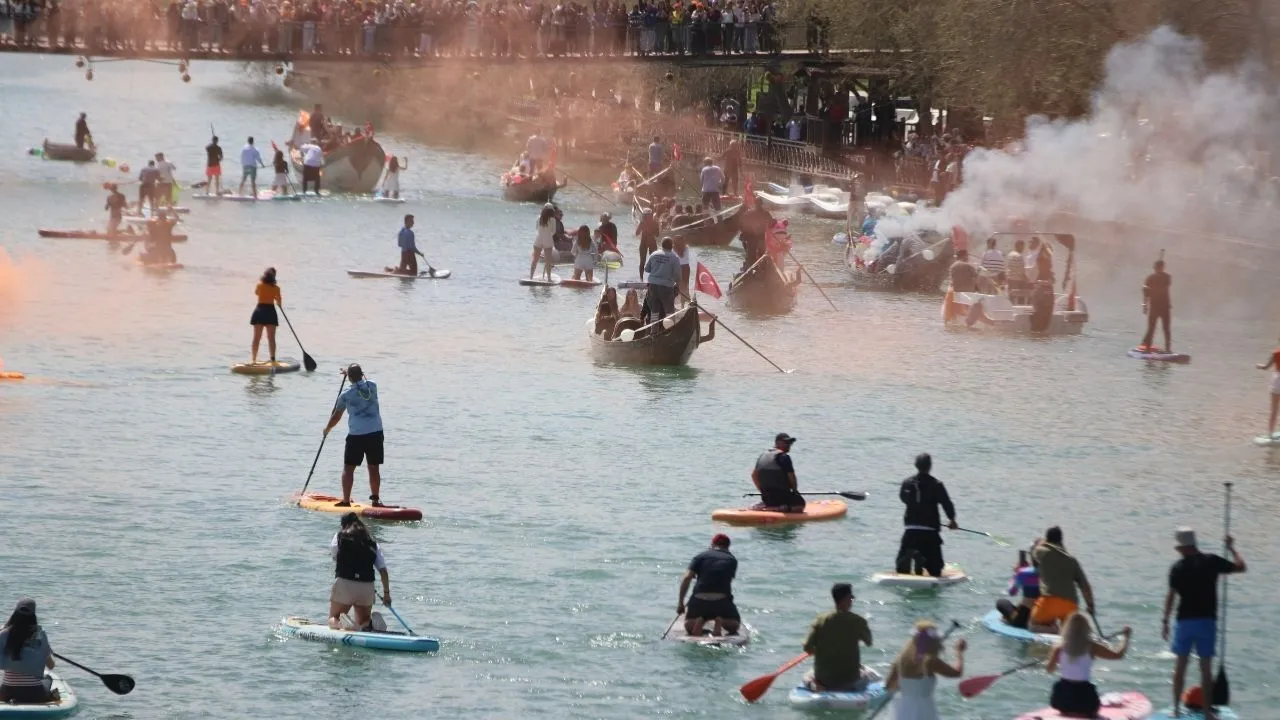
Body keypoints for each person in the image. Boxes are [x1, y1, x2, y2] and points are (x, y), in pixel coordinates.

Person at [1163, 527, 1246, 720]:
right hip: (1206, 622)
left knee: (1180, 666)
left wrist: (1165, 621)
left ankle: (1175, 709)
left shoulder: (1177, 568)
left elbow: (1171, 596)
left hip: (1184, 622)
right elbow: (1241, 567)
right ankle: (1208, 712)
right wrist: (1232, 548)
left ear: (1182, 547)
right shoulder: (1212, 561)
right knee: (1206, 668)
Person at [1044, 614, 1132, 717]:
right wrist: (1126, 638)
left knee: (1063, 697)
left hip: (1062, 697)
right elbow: (1118, 655)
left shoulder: (1059, 647)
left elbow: (1049, 670)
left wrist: (1058, 660)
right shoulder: (1092, 646)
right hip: (1084, 697)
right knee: (1091, 710)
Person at [324, 363, 386, 508]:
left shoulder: (346, 394)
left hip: (357, 435)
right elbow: (361, 381)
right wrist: (352, 374)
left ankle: (346, 501)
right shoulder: (373, 386)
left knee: (349, 468)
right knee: (373, 467)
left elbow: (336, 416)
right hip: (375, 432)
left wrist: (327, 429)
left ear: (349, 378)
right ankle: (375, 500)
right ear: (362, 374)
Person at [884, 621, 966, 720]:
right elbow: (956, 673)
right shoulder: (930, 661)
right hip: (925, 710)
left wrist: (906, 686)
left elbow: (889, 686)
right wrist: (959, 652)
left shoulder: (901, 659)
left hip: (903, 709)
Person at [802, 583, 874, 692]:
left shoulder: (820, 620)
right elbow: (869, 642)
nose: (851, 601)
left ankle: (816, 685)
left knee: (807, 676)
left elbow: (807, 647)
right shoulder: (858, 621)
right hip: (850, 680)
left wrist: (820, 651)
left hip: (824, 680)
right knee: (868, 674)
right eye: (851, 598)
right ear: (846, 599)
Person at [327, 512, 392, 632]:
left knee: (333, 618)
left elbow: (335, 556)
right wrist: (386, 593)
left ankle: (343, 624)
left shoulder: (339, 536)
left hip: (345, 583)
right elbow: (383, 571)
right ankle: (371, 624)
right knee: (362, 622)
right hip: (367, 586)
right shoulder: (372, 541)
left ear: (343, 525)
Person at [895, 453, 957, 577]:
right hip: (930, 532)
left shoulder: (907, 483)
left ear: (916, 465)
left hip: (910, 530)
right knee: (935, 571)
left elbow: (903, 498)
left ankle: (914, 554)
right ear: (930, 466)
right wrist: (952, 520)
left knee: (902, 570)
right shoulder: (937, 484)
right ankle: (921, 556)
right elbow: (946, 503)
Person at [1031, 527, 1096, 630]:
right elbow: (1085, 587)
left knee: (1031, 625)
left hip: (1049, 601)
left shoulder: (1041, 551)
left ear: (1047, 539)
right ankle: (1063, 631)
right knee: (1069, 631)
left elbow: (1034, 550)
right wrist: (1090, 605)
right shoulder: (1072, 560)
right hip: (1070, 605)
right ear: (1061, 540)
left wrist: (1042, 542)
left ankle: (1051, 630)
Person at [676, 534, 740, 637]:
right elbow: (727, 581)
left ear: (712, 544)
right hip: (721, 601)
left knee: (688, 625)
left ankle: (699, 620)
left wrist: (681, 603)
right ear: (728, 547)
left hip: (699, 600)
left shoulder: (700, 557)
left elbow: (687, 577)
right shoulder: (732, 560)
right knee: (734, 626)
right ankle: (720, 621)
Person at [0, 598, 57, 704]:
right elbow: (51, 666)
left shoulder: (3, 634)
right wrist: (46, 650)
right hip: (33, 693)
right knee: (48, 678)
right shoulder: (40, 636)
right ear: (33, 615)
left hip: (5, 693)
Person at [752, 433, 805, 512]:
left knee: (773, 498)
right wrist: (795, 492)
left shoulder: (763, 455)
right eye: (786, 443)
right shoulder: (784, 457)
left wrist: (762, 491)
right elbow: (792, 477)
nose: (789, 445)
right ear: (777, 443)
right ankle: (777, 508)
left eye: (790, 443)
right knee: (801, 505)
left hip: (766, 496)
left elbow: (753, 475)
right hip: (781, 496)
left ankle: (765, 505)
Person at [996, 546, 1040, 629]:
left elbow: (1012, 592)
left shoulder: (1024, 572)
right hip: (1042, 616)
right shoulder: (1050, 574)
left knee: (1001, 602)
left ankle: (1008, 619)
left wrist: (1016, 574)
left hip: (1023, 619)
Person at [643, 237, 681, 321]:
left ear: (662, 245)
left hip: (653, 286)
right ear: (672, 246)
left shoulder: (654, 254)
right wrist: (677, 286)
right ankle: (670, 329)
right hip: (666, 287)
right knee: (669, 311)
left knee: (654, 311)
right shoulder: (674, 258)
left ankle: (653, 331)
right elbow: (677, 276)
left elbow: (646, 269)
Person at [249, 267, 282, 365]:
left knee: (256, 337)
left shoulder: (259, 285)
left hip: (259, 311)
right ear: (274, 277)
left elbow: (256, 293)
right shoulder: (276, 288)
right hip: (270, 312)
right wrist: (276, 299)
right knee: (271, 338)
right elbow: (279, 303)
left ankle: (254, 360)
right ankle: (273, 360)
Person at [1140, 257, 1173, 352]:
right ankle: (1147, 347)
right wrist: (1144, 305)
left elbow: (1166, 284)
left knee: (1166, 328)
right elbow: (1145, 292)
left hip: (1165, 307)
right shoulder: (1150, 278)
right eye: (1158, 267)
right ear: (1155, 267)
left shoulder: (1167, 277)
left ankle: (1168, 348)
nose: (1159, 269)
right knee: (1151, 328)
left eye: (1161, 267)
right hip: (1154, 306)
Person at [1256, 337, 1280, 438]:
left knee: (1273, 410)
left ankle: (1270, 434)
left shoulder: (1275, 353)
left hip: (1277, 380)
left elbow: (1266, 367)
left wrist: (1259, 366)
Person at [530, 203, 557, 281]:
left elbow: (536, 228)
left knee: (534, 259)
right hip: (548, 240)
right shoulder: (553, 220)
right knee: (548, 261)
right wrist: (548, 235)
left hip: (538, 239)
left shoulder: (539, 218)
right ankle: (549, 278)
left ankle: (531, 277)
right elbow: (553, 232)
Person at [635, 208, 660, 278]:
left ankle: (652, 278)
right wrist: (641, 228)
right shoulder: (642, 223)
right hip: (644, 243)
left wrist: (650, 233)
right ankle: (641, 278)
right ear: (645, 216)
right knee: (642, 262)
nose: (648, 217)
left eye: (649, 215)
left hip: (652, 243)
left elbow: (657, 234)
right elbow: (637, 233)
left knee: (654, 262)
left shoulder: (655, 223)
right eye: (647, 215)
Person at [673, 237, 692, 306]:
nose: (678, 243)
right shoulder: (674, 248)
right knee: (680, 287)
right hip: (680, 268)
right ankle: (683, 304)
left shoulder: (685, 248)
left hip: (685, 268)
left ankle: (687, 303)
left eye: (679, 241)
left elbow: (681, 255)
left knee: (685, 286)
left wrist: (676, 248)